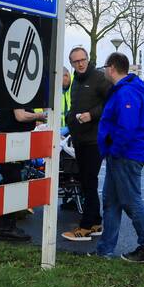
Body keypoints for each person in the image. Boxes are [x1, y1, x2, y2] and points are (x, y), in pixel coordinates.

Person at [95, 52, 144, 263]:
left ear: (111, 68)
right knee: (111, 202)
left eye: (105, 67)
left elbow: (127, 128)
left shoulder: (126, 93)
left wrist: (114, 149)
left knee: (131, 202)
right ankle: (105, 250)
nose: (103, 71)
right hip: (118, 156)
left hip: (125, 156)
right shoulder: (122, 91)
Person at [61, 47, 111, 242]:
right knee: (85, 181)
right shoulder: (76, 81)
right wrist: (70, 120)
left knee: (89, 181)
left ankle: (86, 226)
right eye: (76, 61)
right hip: (79, 139)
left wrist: (92, 115)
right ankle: (97, 221)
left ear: (88, 59)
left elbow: (110, 102)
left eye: (82, 60)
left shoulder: (99, 78)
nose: (80, 64)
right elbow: (75, 106)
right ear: (72, 63)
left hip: (94, 140)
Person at [0, 104, 48, 242]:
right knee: (13, 183)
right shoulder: (15, 94)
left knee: (10, 182)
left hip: (9, 140)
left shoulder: (9, 94)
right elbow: (21, 116)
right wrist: (39, 116)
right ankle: (6, 228)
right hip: (11, 142)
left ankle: (7, 225)